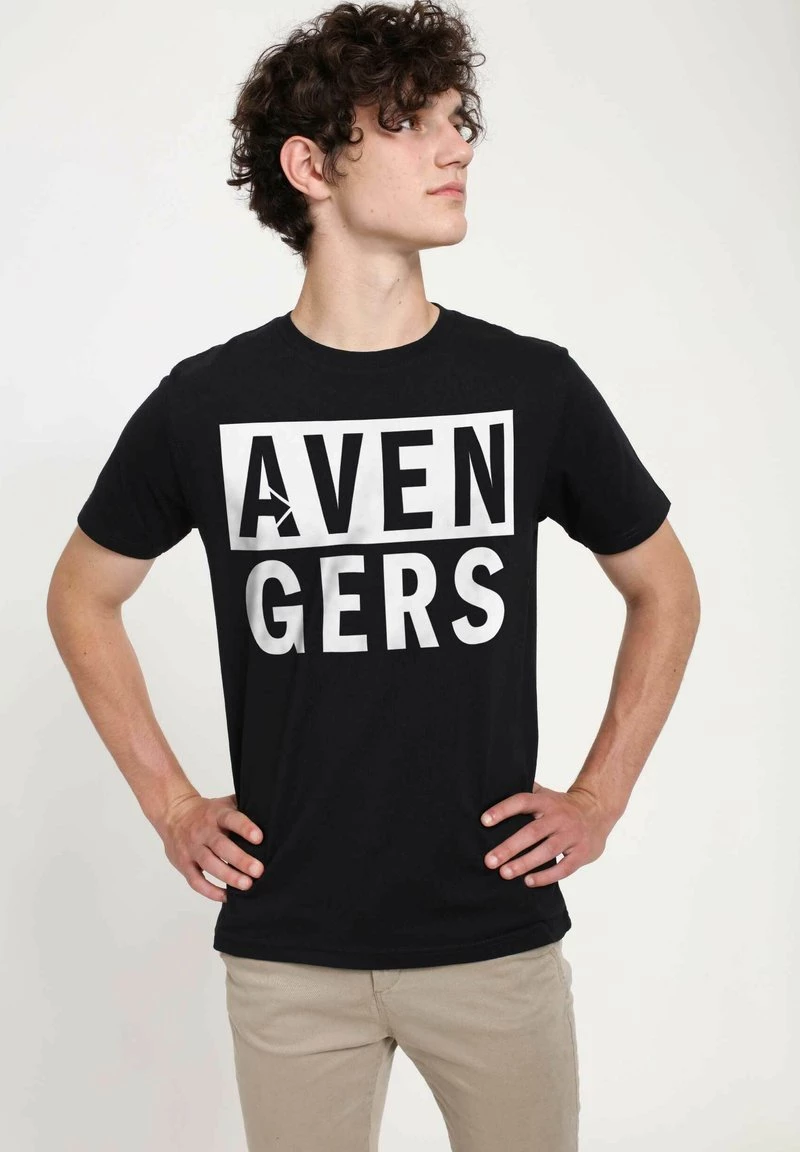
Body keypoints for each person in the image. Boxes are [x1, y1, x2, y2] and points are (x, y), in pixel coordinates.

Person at [46, 2, 701, 1149]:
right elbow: (81, 594)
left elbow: (664, 588)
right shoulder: (210, 403)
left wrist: (599, 795)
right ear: (310, 166)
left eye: (455, 119)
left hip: (491, 936)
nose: (454, 146)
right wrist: (171, 802)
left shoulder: (529, 387)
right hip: (289, 948)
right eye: (405, 122)